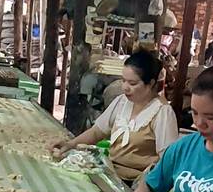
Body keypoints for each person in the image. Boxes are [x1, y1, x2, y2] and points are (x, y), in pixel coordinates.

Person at [50, 51, 178, 182]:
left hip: (136, 182)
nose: (125, 87)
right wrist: (70, 144)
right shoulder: (122, 102)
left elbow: (167, 160)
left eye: (132, 83)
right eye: (123, 81)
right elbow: (97, 132)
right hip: (110, 173)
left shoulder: (162, 113)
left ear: (150, 83)